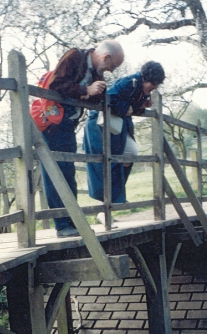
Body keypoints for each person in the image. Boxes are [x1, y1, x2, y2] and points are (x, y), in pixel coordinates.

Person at [40, 40, 124, 237]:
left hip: (68, 126)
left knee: (68, 175)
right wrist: (85, 90)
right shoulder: (74, 57)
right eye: (112, 66)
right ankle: (62, 226)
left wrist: (95, 94)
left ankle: (73, 223)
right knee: (55, 175)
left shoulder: (96, 72)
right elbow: (56, 84)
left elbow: (94, 97)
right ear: (105, 57)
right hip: (53, 126)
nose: (110, 71)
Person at [83, 61, 165, 225]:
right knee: (105, 164)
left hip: (116, 128)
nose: (154, 88)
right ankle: (104, 210)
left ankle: (109, 205)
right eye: (154, 83)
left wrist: (140, 106)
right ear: (146, 78)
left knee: (129, 154)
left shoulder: (140, 88)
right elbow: (110, 96)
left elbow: (129, 107)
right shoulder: (130, 82)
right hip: (100, 126)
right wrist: (126, 108)